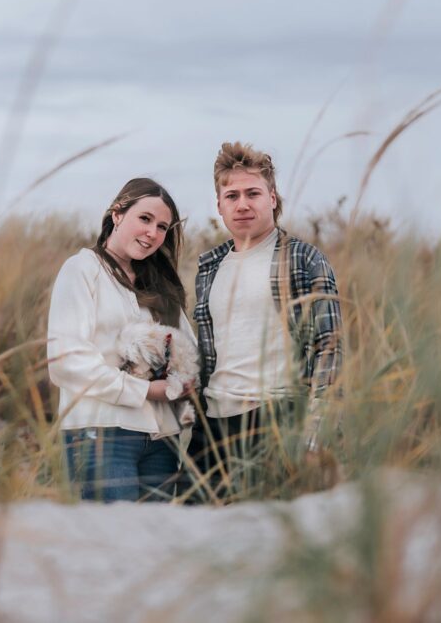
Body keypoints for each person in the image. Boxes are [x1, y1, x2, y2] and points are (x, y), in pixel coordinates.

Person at [186, 142, 343, 501]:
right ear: (219, 205)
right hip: (213, 426)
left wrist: (314, 437)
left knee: (269, 536)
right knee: (199, 533)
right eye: (232, 195)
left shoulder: (303, 260)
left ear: (272, 198)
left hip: (276, 419)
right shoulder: (209, 268)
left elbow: (329, 352)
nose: (242, 204)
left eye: (253, 193)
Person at [47, 178, 195, 502]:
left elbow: (187, 349)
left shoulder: (159, 286)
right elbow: (65, 361)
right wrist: (144, 390)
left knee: (151, 546)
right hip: (102, 434)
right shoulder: (83, 269)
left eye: (162, 227)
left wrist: (184, 382)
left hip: (161, 441)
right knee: (110, 545)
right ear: (117, 214)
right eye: (144, 219)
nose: (152, 233)